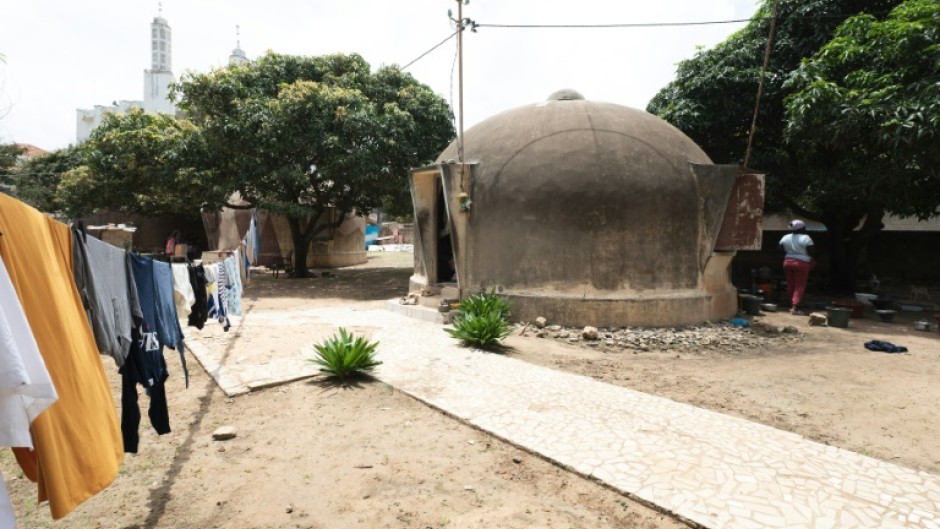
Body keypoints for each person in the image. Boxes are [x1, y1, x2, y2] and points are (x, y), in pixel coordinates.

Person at [779, 219, 814, 315]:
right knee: (799, 285)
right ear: (802, 228)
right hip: (801, 263)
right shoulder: (806, 238)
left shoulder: (785, 237)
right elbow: (812, 250)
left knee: (790, 284)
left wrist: (790, 252)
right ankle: (795, 308)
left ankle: (791, 304)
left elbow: (780, 247)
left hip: (787, 262)